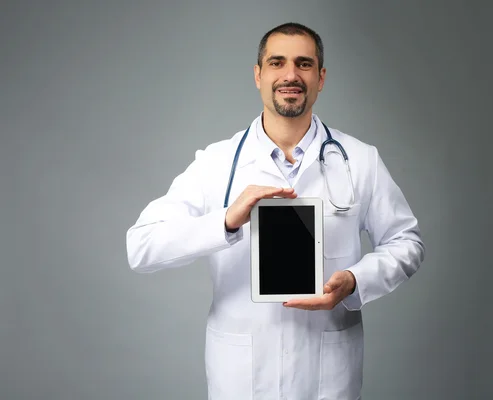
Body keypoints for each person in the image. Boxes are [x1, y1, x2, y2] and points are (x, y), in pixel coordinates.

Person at [126, 22, 425, 400]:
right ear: (258, 75)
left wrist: (354, 280)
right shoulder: (216, 163)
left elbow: (406, 242)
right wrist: (226, 220)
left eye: (304, 64)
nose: (290, 75)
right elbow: (141, 246)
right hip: (242, 375)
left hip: (327, 374)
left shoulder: (359, 161)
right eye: (277, 63)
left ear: (321, 77)